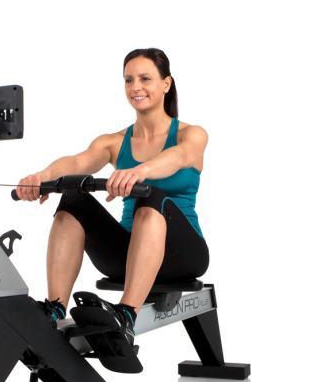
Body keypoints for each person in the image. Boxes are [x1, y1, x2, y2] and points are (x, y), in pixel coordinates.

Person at [14, 48, 209, 348]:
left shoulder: (191, 135)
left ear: (166, 84)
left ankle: (126, 316)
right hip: (127, 257)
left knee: (152, 197)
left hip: (182, 255)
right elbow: (78, 162)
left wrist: (141, 171)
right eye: (129, 80)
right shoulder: (114, 142)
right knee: (73, 199)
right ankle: (54, 308)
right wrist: (43, 176)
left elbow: (179, 157)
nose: (135, 87)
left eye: (145, 78)